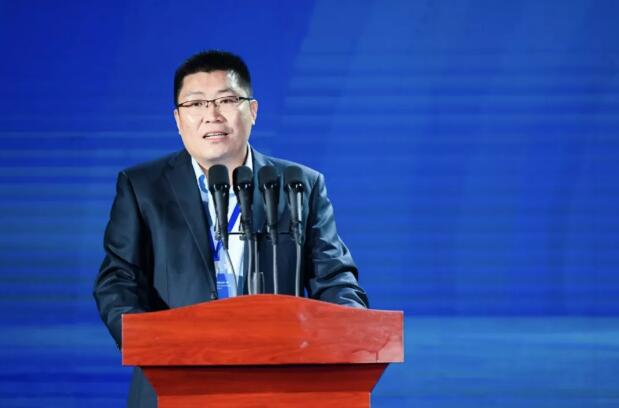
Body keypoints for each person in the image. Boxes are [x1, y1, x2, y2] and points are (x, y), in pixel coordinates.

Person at [93, 50, 368, 407]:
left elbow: (334, 278)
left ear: (252, 110)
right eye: (196, 104)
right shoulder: (142, 187)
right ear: (178, 119)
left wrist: (352, 331)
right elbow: (118, 280)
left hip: (280, 383)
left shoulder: (299, 185)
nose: (212, 115)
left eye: (226, 100)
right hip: (173, 383)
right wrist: (151, 344)